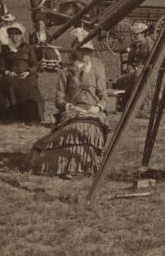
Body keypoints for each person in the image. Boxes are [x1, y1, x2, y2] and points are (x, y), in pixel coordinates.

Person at [25, 38, 108, 178]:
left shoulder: (96, 71)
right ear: (75, 51)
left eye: (87, 50)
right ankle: (69, 166)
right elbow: (58, 99)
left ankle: (83, 165)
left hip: (93, 112)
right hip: (72, 111)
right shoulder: (66, 72)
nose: (84, 53)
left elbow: (104, 97)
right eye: (81, 50)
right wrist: (70, 107)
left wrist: (98, 108)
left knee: (89, 130)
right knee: (72, 131)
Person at [0, 22, 44, 123]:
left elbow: (35, 65)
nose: (15, 37)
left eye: (17, 34)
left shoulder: (28, 48)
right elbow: (1, 66)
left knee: (29, 86)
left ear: (21, 36)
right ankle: (11, 115)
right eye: (12, 34)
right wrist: (7, 72)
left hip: (26, 75)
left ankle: (30, 115)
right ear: (9, 36)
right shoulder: (5, 49)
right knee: (10, 85)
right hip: (11, 75)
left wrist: (28, 72)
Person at [113, 21, 154, 111]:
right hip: (134, 71)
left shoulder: (149, 44)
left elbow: (153, 60)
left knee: (137, 76)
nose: (134, 36)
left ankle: (136, 103)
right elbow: (130, 61)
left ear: (143, 34)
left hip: (146, 70)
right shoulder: (133, 45)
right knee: (120, 80)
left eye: (137, 34)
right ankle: (124, 103)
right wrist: (130, 67)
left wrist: (143, 67)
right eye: (133, 34)